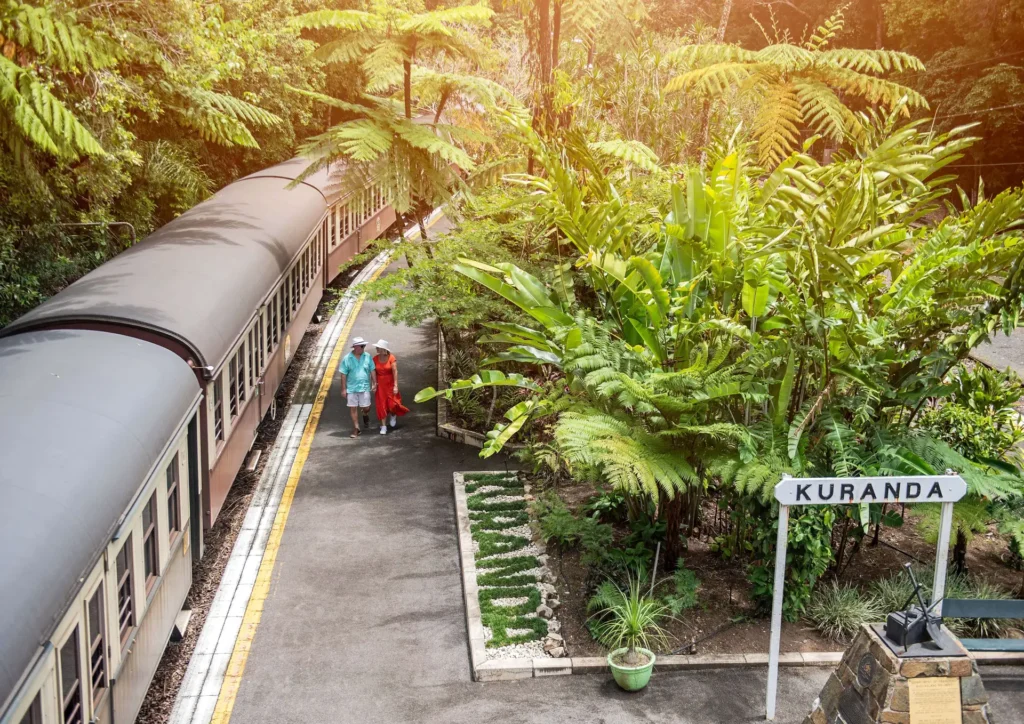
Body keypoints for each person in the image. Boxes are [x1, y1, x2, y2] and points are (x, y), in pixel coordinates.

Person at [340, 336, 376, 438]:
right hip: (351, 388)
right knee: (353, 408)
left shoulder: (367, 356)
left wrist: (374, 383)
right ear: (355, 347)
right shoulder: (347, 358)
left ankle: (365, 414)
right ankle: (356, 428)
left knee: (366, 407)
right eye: (361, 347)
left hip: (364, 386)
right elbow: (343, 374)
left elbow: (372, 370)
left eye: (363, 346)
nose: (362, 348)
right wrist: (343, 389)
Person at [373, 339, 409, 434]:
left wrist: (396, 385)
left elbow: (395, 371)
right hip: (380, 384)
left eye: (378, 347)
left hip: (390, 383)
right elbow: (372, 372)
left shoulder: (391, 358)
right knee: (381, 405)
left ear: (383, 349)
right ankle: (383, 426)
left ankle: (393, 415)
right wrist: (374, 384)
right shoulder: (375, 359)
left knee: (392, 404)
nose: (376, 349)